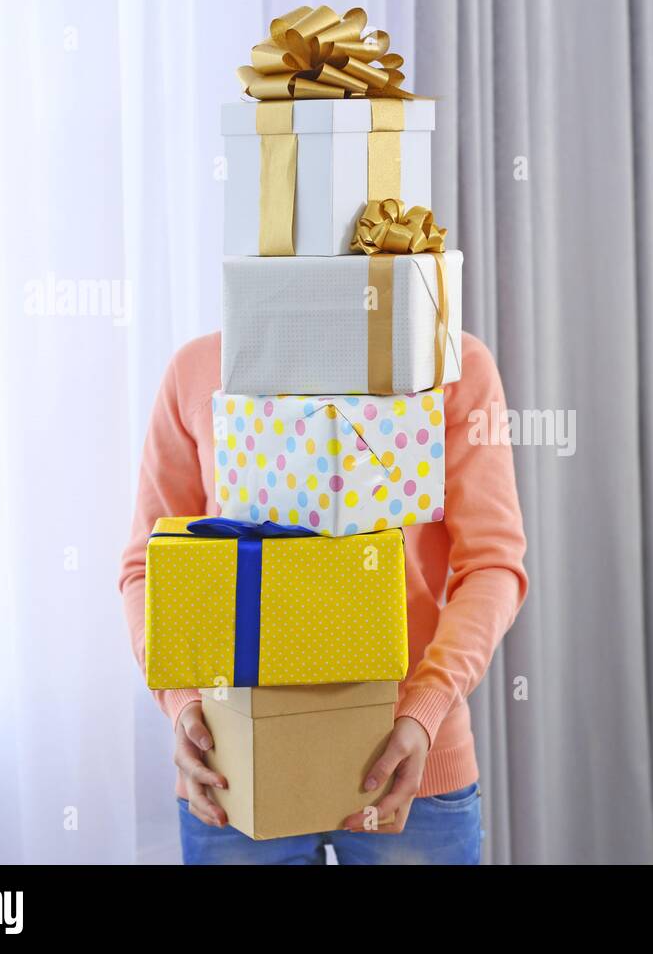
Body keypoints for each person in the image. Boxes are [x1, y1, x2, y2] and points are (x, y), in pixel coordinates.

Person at [118, 331, 527, 864]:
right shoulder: (198, 369)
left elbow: (492, 563)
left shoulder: (450, 362)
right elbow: (147, 566)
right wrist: (183, 703)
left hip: (410, 764)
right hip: (234, 764)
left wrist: (425, 708)